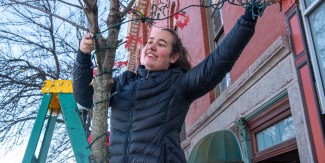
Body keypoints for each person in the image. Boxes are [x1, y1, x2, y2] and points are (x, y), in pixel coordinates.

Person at [73, 1, 279, 162]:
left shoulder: (178, 86)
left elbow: (219, 62)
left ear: (173, 57)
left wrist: (251, 14)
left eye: (161, 44)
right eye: (150, 42)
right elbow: (85, 97)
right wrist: (83, 55)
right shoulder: (123, 83)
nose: (151, 47)